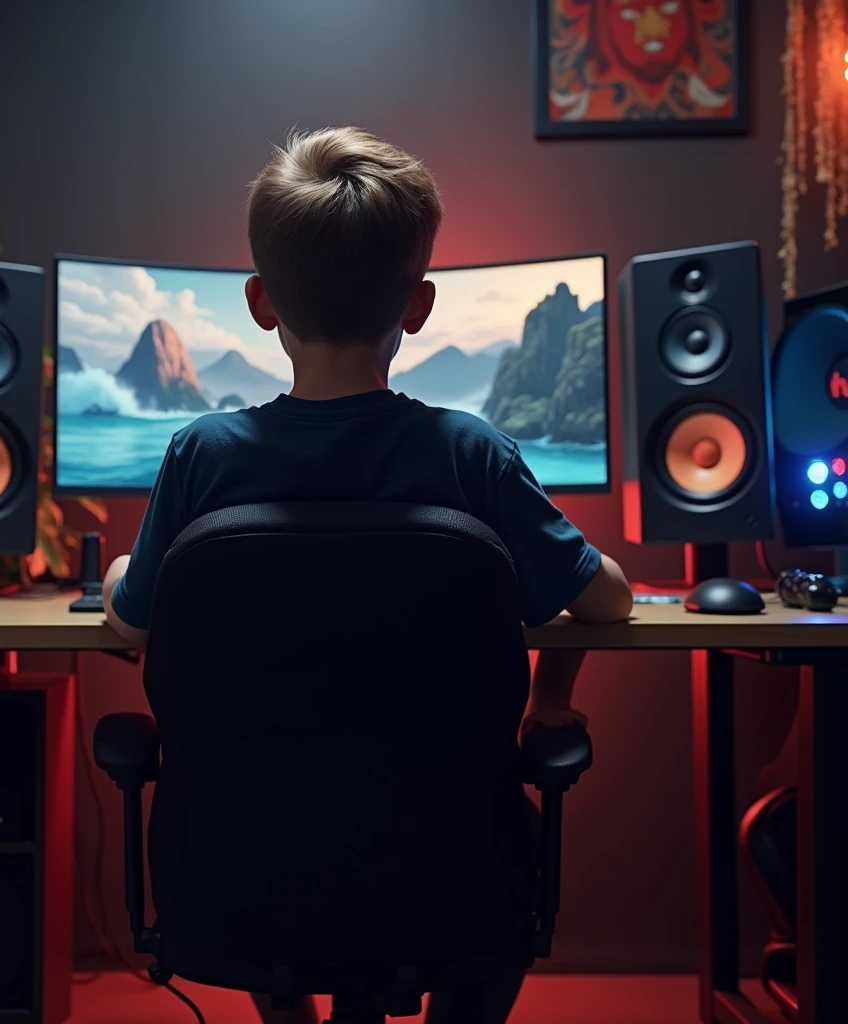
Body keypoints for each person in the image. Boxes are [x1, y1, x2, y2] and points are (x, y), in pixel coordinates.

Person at [103, 126, 632, 1024]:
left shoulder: (203, 458)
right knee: (471, 892)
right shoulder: (472, 452)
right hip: (451, 872)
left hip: (250, 875)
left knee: (285, 860)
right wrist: (551, 697)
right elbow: (605, 602)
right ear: (419, 306)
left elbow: (135, 622)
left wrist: (122, 567)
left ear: (261, 302)